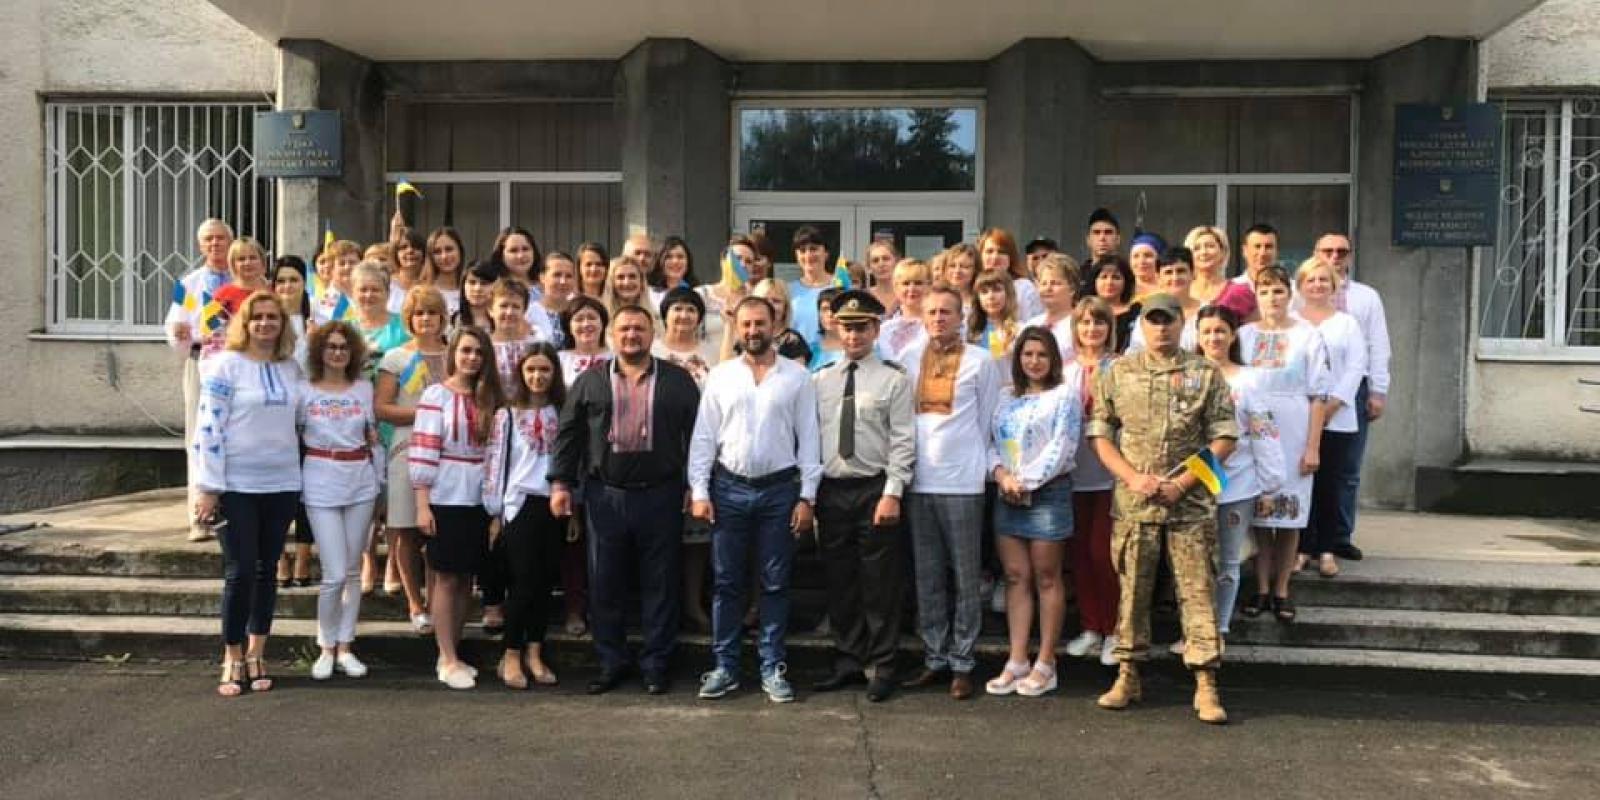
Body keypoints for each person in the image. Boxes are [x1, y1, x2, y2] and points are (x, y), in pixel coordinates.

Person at [1088, 293, 1237, 724]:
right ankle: (1128, 675)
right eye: (1153, 320)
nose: (1161, 328)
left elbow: (1225, 438)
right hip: (1135, 505)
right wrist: (1132, 477)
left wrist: (1183, 483)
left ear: (1180, 324)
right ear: (1142, 325)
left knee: (1198, 593)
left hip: (1190, 507)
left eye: (1168, 320)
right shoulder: (1118, 372)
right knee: (1132, 593)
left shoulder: (1205, 373)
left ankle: (1206, 682)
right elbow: (1099, 435)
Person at [550, 305, 701, 696]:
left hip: (662, 494)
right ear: (612, 335)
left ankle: (656, 665)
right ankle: (611, 662)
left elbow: (697, 436)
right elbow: (568, 435)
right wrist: (561, 484)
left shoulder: (678, 380)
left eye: (639, 328)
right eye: (625, 329)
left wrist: (695, 484)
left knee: (661, 583)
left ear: (652, 334)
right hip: (606, 496)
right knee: (605, 583)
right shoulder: (589, 381)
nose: (632, 335)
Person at [689, 296, 822, 703]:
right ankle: (725, 666)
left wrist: (807, 496)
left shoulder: (797, 377)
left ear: (775, 324)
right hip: (728, 488)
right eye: (745, 324)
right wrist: (699, 490)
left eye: (760, 323)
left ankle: (772, 666)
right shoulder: (721, 376)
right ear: (737, 326)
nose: (752, 331)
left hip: (780, 490)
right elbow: (704, 436)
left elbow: (810, 438)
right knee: (727, 582)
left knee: (775, 582)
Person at [192, 290, 302, 696]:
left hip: (282, 483)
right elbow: (208, 428)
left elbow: (301, 423)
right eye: (257, 317)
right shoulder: (226, 365)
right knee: (239, 571)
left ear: (282, 324)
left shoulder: (290, 368)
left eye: (273, 317)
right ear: (245, 323)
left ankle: (258, 651)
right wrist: (208, 488)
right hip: (236, 484)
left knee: (266, 569)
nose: (265, 324)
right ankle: (233, 654)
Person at [810, 290, 915, 702]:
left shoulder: (894, 378)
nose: (853, 336)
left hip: (875, 487)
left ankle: (884, 664)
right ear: (836, 330)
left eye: (861, 328)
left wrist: (893, 493)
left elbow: (903, 440)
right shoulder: (820, 380)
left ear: (875, 330)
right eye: (847, 328)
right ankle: (848, 658)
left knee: (880, 583)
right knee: (840, 580)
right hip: (833, 488)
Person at [899, 286, 1001, 701]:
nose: (939, 318)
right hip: (920, 481)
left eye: (946, 312)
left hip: (962, 481)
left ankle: (963, 662)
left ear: (961, 317)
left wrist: (981, 469)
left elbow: (988, 420)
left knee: (965, 576)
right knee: (928, 576)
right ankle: (935, 656)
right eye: (932, 312)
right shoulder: (909, 357)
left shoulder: (981, 361)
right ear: (923, 317)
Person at [983, 327, 1080, 698]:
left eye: (1041, 355)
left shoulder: (1063, 395)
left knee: (1046, 576)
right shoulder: (1006, 396)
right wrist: (1002, 476)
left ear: (1053, 359)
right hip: (1007, 492)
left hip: (1046, 493)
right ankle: (1017, 658)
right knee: (1014, 576)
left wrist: (1026, 482)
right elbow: (991, 442)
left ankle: (1046, 662)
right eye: (1027, 354)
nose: (1034, 361)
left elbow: (1063, 445)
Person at [410, 326, 503, 690]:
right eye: (466, 350)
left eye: (478, 352)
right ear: (454, 354)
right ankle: (446, 657)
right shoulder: (436, 395)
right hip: (445, 493)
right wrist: (422, 504)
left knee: (466, 577)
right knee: (446, 576)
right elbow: (423, 449)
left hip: (480, 494)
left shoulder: (491, 397)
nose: (472, 358)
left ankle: (453, 650)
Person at [1238, 265, 1330, 624]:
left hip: (1294, 430)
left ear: (1289, 294)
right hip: (1254, 431)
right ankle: (1261, 587)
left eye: (1278, 291)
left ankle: (1282, 589)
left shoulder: (1308, 335)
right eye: (1264, 291)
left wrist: (1313, 446)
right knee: (1261, 515)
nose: (1271, 298)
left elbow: (1319, 394)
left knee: (1290, 516)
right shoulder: (1244, 335)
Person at [1194, 306, 1284, 644]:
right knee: (1194, 562)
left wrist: (1269, 487)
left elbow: (1264, 434)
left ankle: (1218, 629)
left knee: (1228, 560)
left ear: (1232, 336)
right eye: (1207, 331)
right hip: (1194, 483)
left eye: (1220, 331)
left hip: (1237, 483)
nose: (1214, 338)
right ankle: (1195, 629)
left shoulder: (1249, 379)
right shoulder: (1187, 374)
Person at [298, 321, 381, 681]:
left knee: (352, 569)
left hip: (359, 479)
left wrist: (378, 480)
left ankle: (346, 646)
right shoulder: (304, 390)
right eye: (330, 346)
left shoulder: (363, 388)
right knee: (333, 573)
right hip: (320, 478)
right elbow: (294, 434)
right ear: (319, 351)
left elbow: (373, 436)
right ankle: (325, 645)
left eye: (343, 347)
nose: (337, 352)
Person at [483, 344, 566, 689]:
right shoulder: (507, 414)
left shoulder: (562, 411)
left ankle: (535, 651)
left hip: (555, 503)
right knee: (523, 583)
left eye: (544, 369)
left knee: (545, 583)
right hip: (519, 504)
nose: (537, 376)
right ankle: (511, 653)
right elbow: (495, 462)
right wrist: (494, 511)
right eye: (531, 369)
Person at [1305, 233, 1389, 561]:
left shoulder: (1366, 297)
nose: (1335, 256)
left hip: (1352, 390)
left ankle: (1340, 536)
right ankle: (1306, 540)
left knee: (1346, 469)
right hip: (1307, 396)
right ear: (1316, 253)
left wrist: (1378, 391)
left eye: (1342, 251)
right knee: (1308, 467)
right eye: (1327, 250)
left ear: (1350, 256)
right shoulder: (1300, 299)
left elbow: (1377, 346)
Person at [374, 287, 450, 634]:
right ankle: (414, 603)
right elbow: (382, 407)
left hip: (449, 450)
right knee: (405, 527)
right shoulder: (396, 358)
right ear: (409, 318)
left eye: (432, 312)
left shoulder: (454, 354)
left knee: (440, 529)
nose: (426, 319)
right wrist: (425, 414)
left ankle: (437, 602)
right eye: (419, 313)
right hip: (407, 446)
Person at [653, 286, 722, 632]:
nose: (683, 315)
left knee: (697, 537)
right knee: (660, 537)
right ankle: (664, 605)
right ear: (665, 314)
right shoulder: (652, 349)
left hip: (701, 449)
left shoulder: (712, 352)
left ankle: (693, 604)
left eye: (691, 309)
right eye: (677, 309)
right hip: (658, 451)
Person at [1294, 258, 1367, 577]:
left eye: (1324, 280)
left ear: (1334, 286)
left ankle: (1326, 549)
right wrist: (1309, 408)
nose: (1317, 285)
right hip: (1300, 417)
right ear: (1300, 286)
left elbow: (1356, 367)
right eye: (1311, 280)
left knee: (1330, 483)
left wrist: (1333, 404)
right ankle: (1302, 548)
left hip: (1338, 417)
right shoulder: (1293, 323)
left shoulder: (1347, 324)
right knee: (1302, 483)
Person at [166, 218, 234, 542]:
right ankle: (199, 516)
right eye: (209, 239)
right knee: (199, 436)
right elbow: (174, 324)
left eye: (220, 238)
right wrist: (178, 334)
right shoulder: (188, 283)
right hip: (200, 362)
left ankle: (232, 513)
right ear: (200, 245)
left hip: (237, 366)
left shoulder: (244, 278)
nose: (215, 244)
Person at [1063, 298, 1122, 665]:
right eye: (1085, 322)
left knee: (1104, 554)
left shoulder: (1122, 367)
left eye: (1099, 322)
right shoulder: (1065, 369)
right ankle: (1091, 627)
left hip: (1110, 475)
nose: (1091, 329)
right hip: (1072, 474)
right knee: (1080, 554)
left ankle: (1115, 630)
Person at [1128, 248, 1201, 352]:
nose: (1175, 277)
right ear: (1158, 277)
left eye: (1181, 271)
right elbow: (1135, 352)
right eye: (1168, 272)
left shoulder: (1207, 311)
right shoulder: (1147, 314)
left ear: (1193, 273)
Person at [700, 236, 759, 362]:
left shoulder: (757, 299)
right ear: (723, 261)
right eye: (737, 258)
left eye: (749, 261)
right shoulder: (702, 295)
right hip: (706, 367)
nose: (742, 264)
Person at [788, 225, 836, 355]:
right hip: (796, 359)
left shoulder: (840, 286)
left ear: (826, 253)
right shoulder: (787, 291)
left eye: (813, 249)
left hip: (833, 357)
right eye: (802, 250)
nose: (808, 255)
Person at [967, 271, 1021, 384]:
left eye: (997, 290)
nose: (991, 296)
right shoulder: (970, 330)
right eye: (984, 292)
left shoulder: (1019, 329)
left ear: (1008, 293)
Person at [979, 228, 1044, 320]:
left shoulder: (1024, 288)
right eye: (989, 251)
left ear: (1011, 257)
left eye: (1001, 252)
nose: (995, 257)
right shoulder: (973, 286)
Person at [1023, 253, 1080, 359]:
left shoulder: (1081, 324)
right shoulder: (1031, 325)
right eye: (1043, 283)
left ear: (1072, 288)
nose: (1048, 288)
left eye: (1055, 283)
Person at [750, 278, 813, 366]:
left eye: (776, 301)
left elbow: (798, 373)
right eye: (764, 300)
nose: (770, 305)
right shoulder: (747, 335)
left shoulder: (793, 340)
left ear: (785, 308)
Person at [878, 258, 930, 362]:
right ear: (896, 287)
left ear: (929, 286)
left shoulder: (937, 325)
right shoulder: (884, 328)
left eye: (918, 283)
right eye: (906, 283)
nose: (911, 289)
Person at [1085, 254, 1138, 352]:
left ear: (1126, 282)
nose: (1109, 282)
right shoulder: (1083, 312)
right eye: (1104, 277)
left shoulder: (1136, 314)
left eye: (1116, 277)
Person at [211, 236, 270, 314]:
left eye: (253, 258)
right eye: (241, 259)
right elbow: (209, 321)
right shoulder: (222, 295)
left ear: (262, 261)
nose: (248, 263)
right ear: (233, 264)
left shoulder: (274, 289)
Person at [530, 251, 575, 347]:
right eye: (557, 275)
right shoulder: (529, 313)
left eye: (569, 276)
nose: (563, 281)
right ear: (542, 277)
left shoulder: (579, 311)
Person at [422, 227, 467, 317]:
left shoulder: (473, 289)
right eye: (437, 252)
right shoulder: (424, 292)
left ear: (460, 251)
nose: (444, 256)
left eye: (449, 249)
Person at [1185, 226, 1233, 307]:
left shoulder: (1238, 291)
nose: (1203, 252)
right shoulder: (1182, 291)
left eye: (1210, 246)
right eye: (1196, 248)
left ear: (1223, 252)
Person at [647, 235, 696, 309]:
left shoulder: (696, 292)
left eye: (680, 257)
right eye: (669, 257)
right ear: (659, 261)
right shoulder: (648, 292)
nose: (675, 261)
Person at [452, 261, 501, 333]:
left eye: (484, 283)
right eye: (472, 282)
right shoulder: (453, 321)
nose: (477, 289)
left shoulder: (502, 320)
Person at [602, 257, 652, 325]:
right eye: (620, 277)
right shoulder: (600, 317)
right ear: (611, 282)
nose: (627, 282)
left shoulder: (655, 317)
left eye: (632, 276)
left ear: (641, 281)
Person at [391, 229, 428, 311]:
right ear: (396, 254)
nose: (410, 251)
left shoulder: (431, 285)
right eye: (403, 247)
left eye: (416, 247)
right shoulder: (387, 284)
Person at [938, 242, 979, 317]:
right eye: (952, 266)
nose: (957, 271)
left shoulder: (982, 301)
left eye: (965, 266)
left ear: (975, 270)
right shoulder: (935, 298)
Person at [810, 287, 845, 371]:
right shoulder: (808, 350)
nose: (830, 314)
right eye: (825, 309)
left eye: (835, 309)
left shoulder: (858, 347)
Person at [865, 239, 900, 315]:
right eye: (875, 260)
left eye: (886, 259)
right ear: (869, 268)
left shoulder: (908, 294)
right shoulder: (863, 297)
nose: (881, 264)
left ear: (897, 262)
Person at [1127, 233, 1163, 300]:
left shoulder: (1169, 285)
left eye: (1148, 255)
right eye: (1136, 256)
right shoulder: (1123, 287)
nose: (1141, 261)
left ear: (1159, 259)